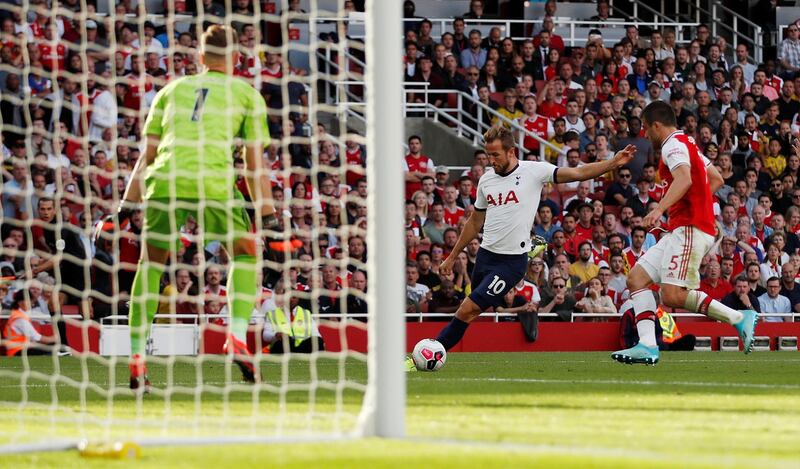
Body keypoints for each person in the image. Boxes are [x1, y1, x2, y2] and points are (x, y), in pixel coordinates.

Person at [120, 25, 276, 391]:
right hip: (213, 183)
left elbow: (149, 155)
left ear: (201, 59)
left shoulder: (171, 91)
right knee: (245, 251)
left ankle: (136, 357)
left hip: (164, 181)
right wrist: (269, 217)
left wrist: (127, 203)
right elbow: (254, 167)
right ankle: (236, 335)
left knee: (152, 265)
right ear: (236, 59)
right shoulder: (246, 94)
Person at [404, 125, 635, 370]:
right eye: (488, 155)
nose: (491, 161)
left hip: (511, 262)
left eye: (496, 155)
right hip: (485, 256)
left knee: (468, 308)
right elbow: (475, 221)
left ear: (511, 151)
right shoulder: (486, 180)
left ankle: (425, 355)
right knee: (469, 310)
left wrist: (612, 163)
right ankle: (432, 351)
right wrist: (452, 256)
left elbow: (578, 173)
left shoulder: (534, 171)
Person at [611, 101, 758, 365]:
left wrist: (659, 210)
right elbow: (716, 179)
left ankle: (738, 317)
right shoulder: (688, 143)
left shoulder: (672, 145)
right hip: (683, 226)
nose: (645, 134)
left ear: (657, 125)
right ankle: (646, 345)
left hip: (690, 228)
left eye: (646, 128)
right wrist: (692, 204)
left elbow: (684, 179)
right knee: (636, 279)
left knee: (672, 295)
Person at [3, 289, 58, 356]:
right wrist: (54, 338)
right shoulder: (19, 318)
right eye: (30, 301)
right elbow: (36, 337)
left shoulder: (17, 314)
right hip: (18, 351)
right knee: (53, 345)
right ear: (20, 302)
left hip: (19, 350)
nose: (31, 304)